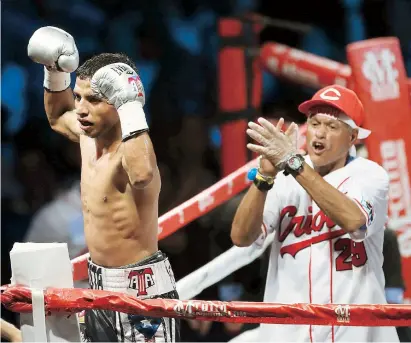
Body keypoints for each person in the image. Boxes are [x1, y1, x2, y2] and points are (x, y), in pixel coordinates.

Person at [27, 26, 179, 342]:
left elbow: (141, 175)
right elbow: (58, 117)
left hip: (141, 289)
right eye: (79, 97)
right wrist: (55, 73)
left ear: (119, 102)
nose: (81, 108)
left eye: (94, 100)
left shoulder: (133, 148)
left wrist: (131, 105)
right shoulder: (87, 133)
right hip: (96, 284)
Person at [231, 85, 399, 342]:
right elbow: (241, 237)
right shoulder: (285, 177)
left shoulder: (370, 175)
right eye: (314, 122)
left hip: (355, 334)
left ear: (353, 137)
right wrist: (264, 178)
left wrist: (292, 162)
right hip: (290, 333)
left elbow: (354, 221)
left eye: (332, 127)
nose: (320, 133)